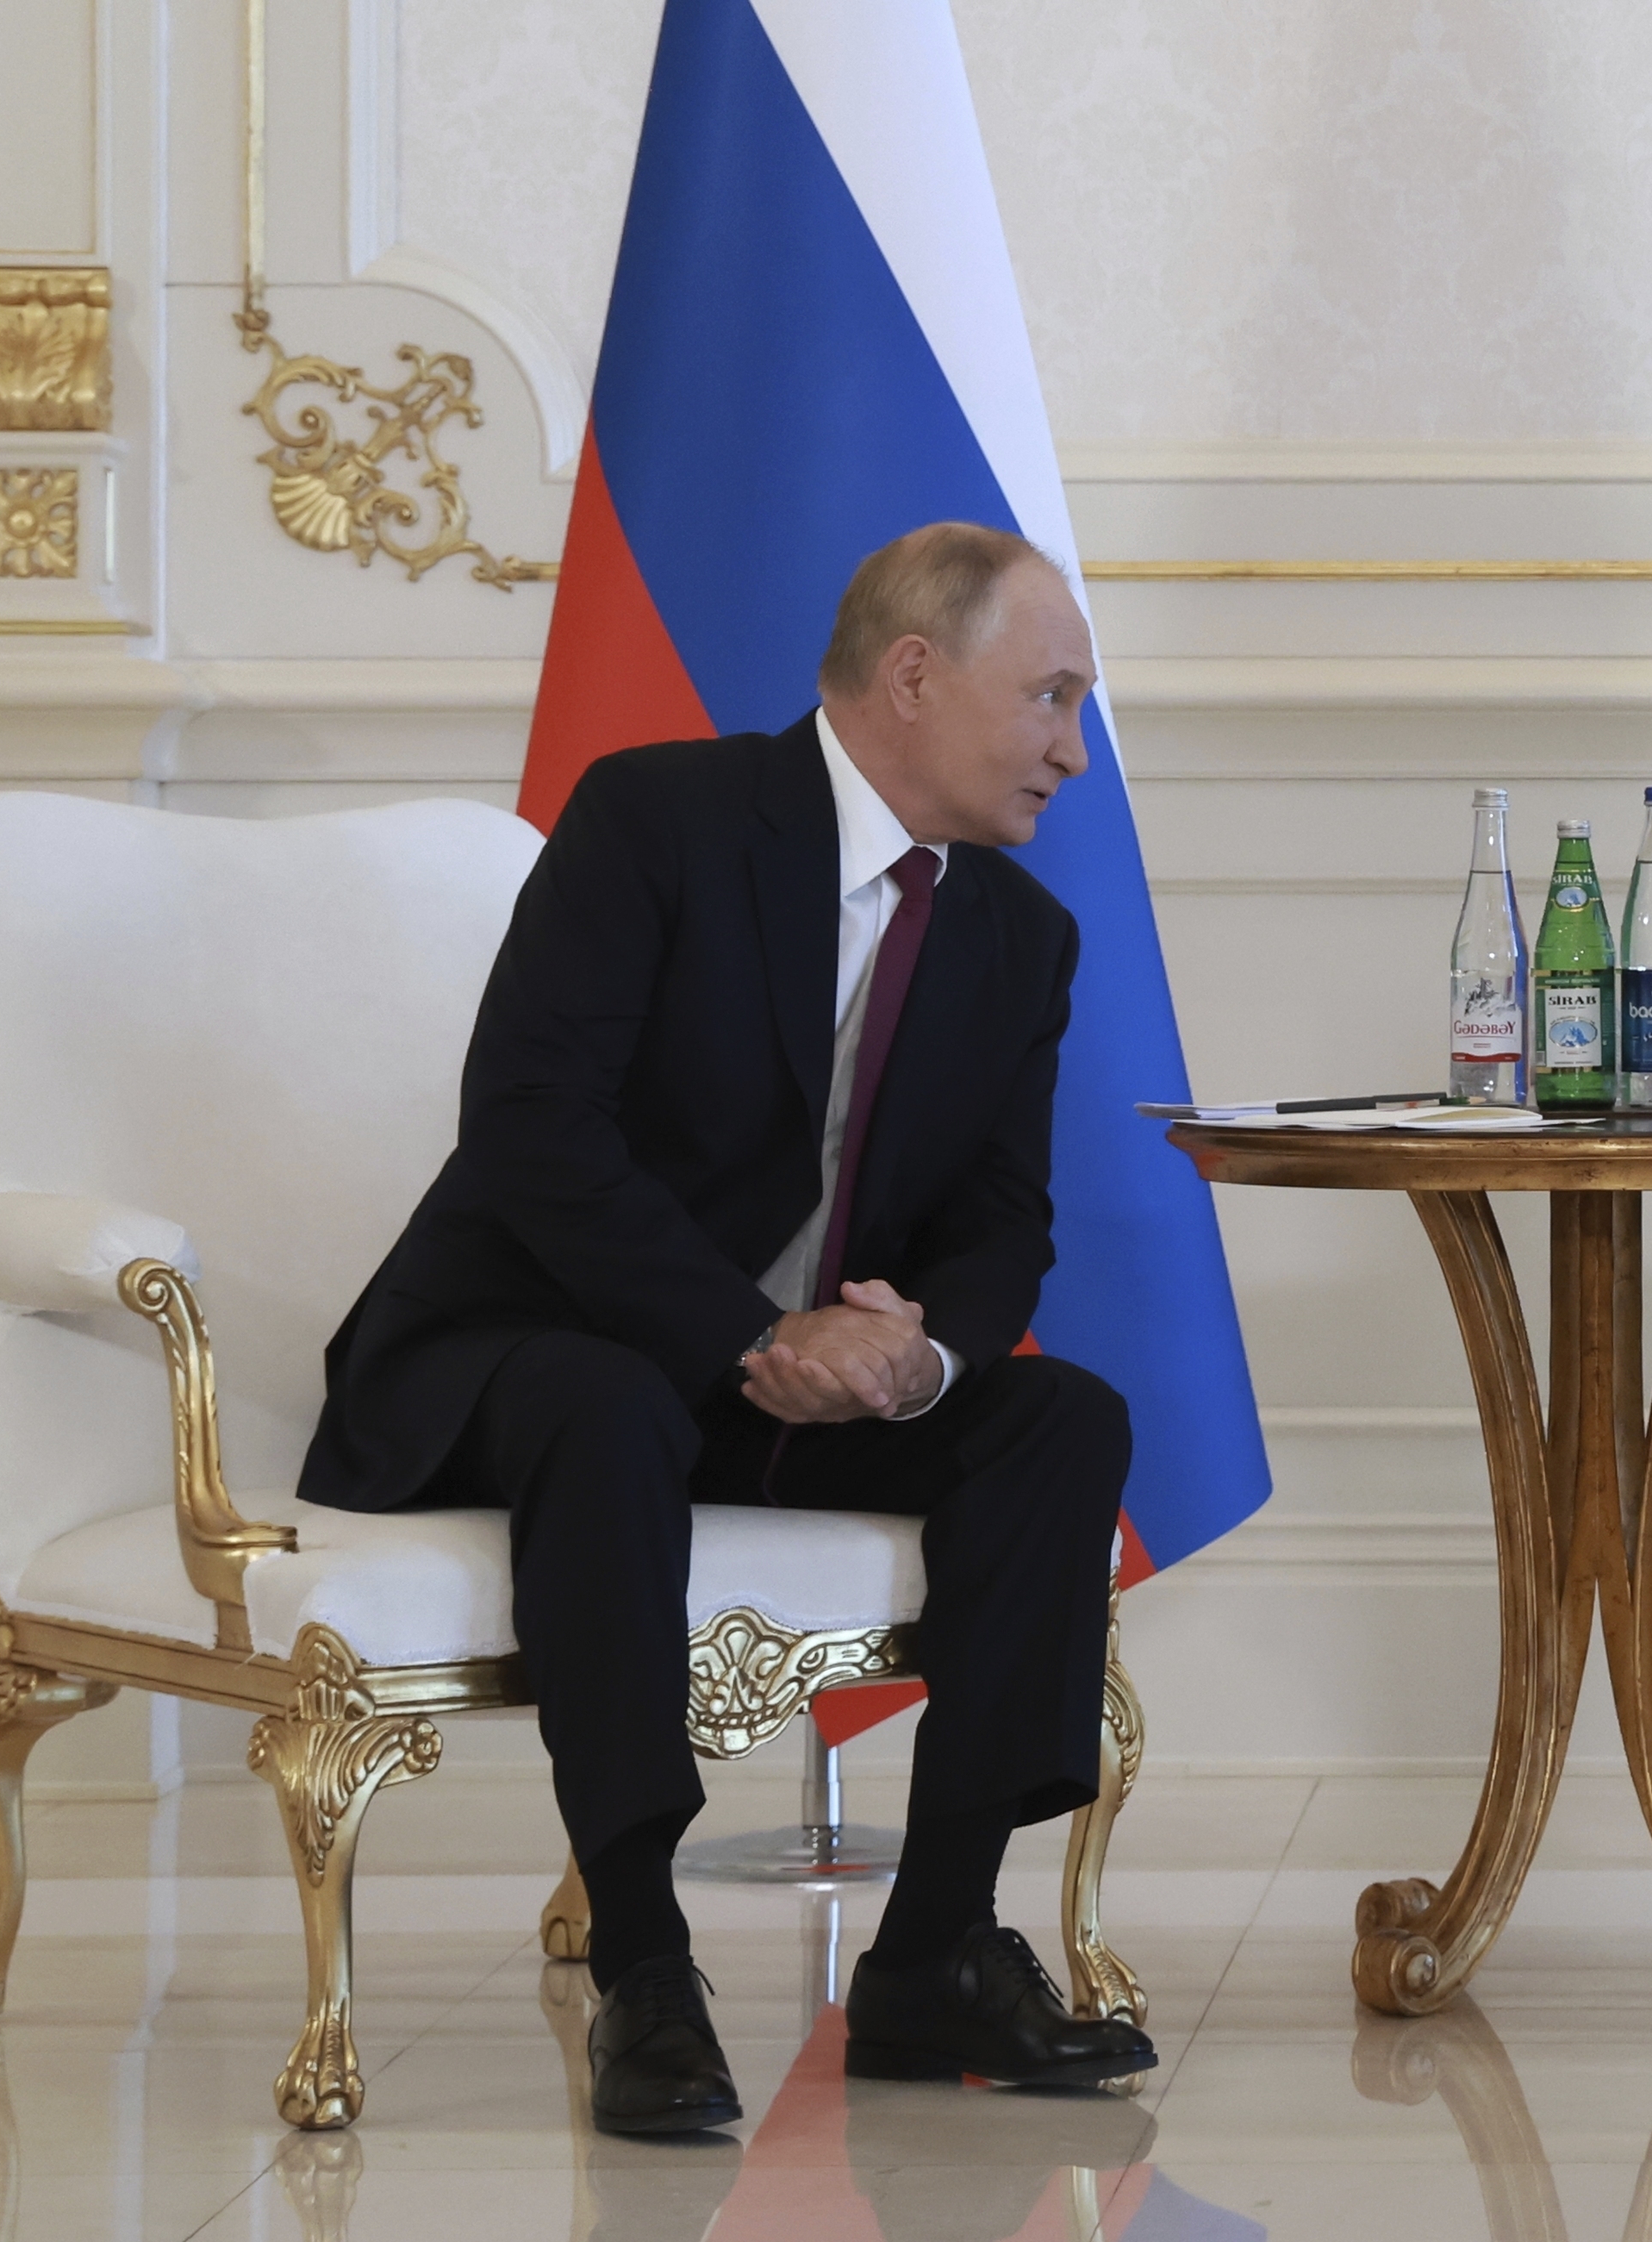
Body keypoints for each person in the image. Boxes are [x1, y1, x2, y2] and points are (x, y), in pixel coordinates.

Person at [300, 521, 1149, 2134]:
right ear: (913, 674)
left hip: (789, 1379)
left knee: (1061, 1422)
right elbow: (532, 1125)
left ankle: (934, 1951)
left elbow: (1000, 1221)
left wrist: (920, 1353)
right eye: (1049, 694)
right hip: (526, 1345)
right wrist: (750, 1335)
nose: (1071, 747)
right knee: (608, 1401)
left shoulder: (1018, 934)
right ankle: (644, 1961)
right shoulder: (660, 819)